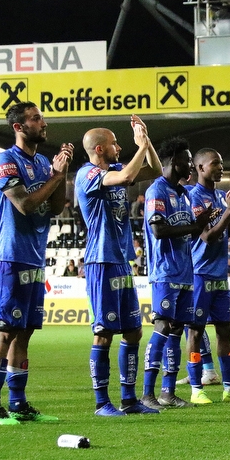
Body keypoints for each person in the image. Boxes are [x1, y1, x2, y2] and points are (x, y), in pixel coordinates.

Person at [0, 101, 72, 425]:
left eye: (41, 117)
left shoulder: (44, 162)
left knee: (24, 333)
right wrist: (55, 176)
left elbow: (56, 206)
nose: (43, 123)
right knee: (5, 330)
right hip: (9, 256)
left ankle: (18, 404)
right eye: (36, 119)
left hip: (33, 258)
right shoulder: (5, 162)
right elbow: (25, 204)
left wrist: (61, 175)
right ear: (19, 127)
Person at [76, 117, 162, 416]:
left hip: (121, 261)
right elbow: (127, 177)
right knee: (104, 332)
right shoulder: (87, 174)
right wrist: (139, 147)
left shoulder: (113, 169)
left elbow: (155, 170)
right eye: (115, 143)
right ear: (100, 148)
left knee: (134, 331)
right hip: (101, 261)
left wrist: (146, 141)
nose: (120, 147)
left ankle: (129, 399)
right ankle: (102, 403)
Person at [185, 148, 230, 403]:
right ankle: (197, 389)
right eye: (215, 163)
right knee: (195, 332)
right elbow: (207, 236)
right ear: (200, 168)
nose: (221, 167)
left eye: (222, 162)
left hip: (219, 276)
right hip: (199, 274)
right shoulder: (193, 197)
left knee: (225, 331)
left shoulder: (220, 196)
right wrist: (229, 209)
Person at [141, 137, 209, 410]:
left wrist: (202, 223)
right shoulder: (157, 191)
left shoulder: (183, 194)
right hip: (165, 273)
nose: (191, 165)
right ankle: (147, 393)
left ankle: (168, 392)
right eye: (187, 160)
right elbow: (158, 231)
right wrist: (195, 227)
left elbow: (188, 231)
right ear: (172, 161)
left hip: (184, 272)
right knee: (162, 326)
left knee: (177, 330)